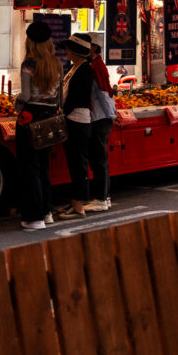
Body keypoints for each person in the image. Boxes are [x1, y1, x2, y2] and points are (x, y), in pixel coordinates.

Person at [15, 19, 63, 231]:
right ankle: (46, 211)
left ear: (31, 42)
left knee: (29, 169)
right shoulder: (57, 63)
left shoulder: (28, 65)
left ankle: (34, 217)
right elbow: (59, 98)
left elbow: (25, 95)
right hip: (51, 118)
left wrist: (15, 102)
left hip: (31, 118)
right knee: (44, 166)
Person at [57, 32, 94, 220]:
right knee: (73, 162)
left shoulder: (85, 70)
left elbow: (77, 97)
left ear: (77, 52)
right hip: (71, 119)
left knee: (78, 163)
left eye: (69, 49)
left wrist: (62, 112)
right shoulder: (74, 68)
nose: (66, 52)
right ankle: (75, 200)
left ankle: (79, 203)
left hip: (77, 120)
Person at [82, 35, 117, 212]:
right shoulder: (97, 65)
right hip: (101, 116)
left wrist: (111, 115)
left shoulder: (96, 67)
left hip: (99, 117)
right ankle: (105, 195)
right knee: (100, 159)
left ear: (94, 48)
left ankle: (101, 198)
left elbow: (104, 93)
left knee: (98, 159)